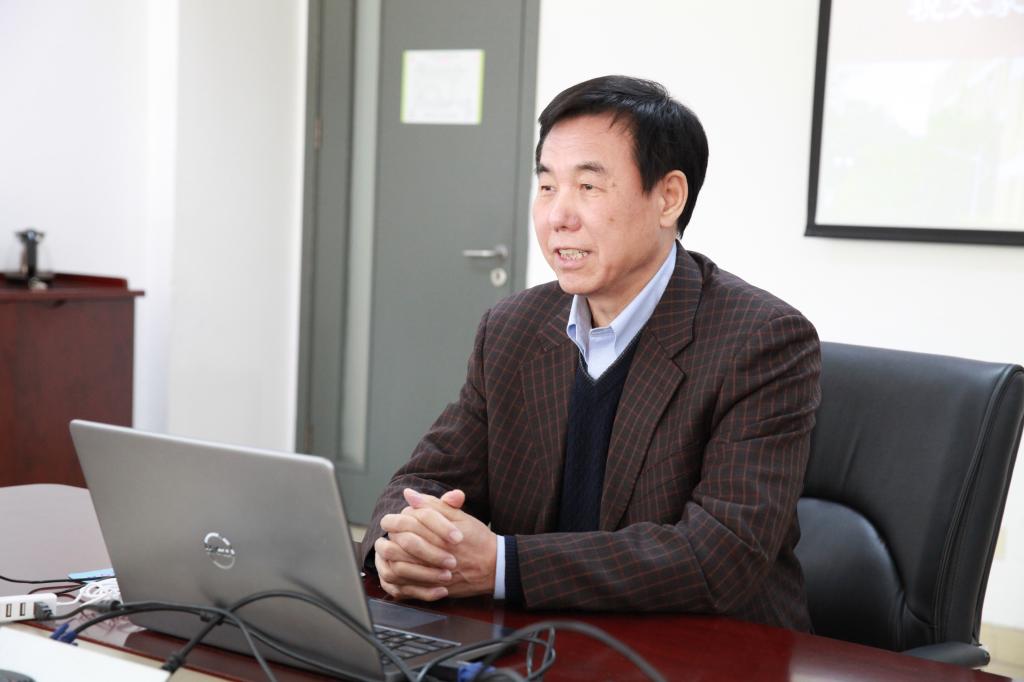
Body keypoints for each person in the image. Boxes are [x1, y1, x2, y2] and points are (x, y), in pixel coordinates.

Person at [359, 75, 821, 630]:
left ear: (668, 198)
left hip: (707, 647)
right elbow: (423, 481)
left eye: (588, 186)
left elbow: (720, 553)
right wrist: (402, 541)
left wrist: (504, 565)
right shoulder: (512, 329)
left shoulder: (762, 340)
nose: (558, 216)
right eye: (547, 186)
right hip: (543, 640)